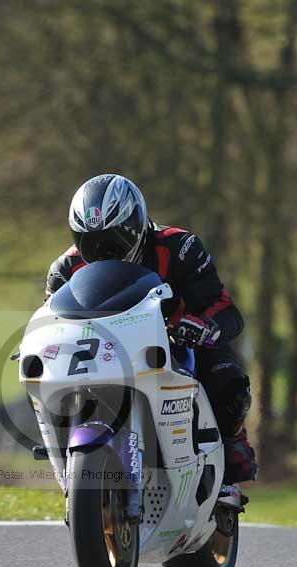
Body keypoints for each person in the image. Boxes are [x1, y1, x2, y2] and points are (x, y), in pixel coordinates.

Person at [44, 173, 257, 490]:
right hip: (101, 352)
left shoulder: (180, 247)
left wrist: (204, 327)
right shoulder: (65, 268)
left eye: (114, 240)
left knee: (228, 384)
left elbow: (224, 308)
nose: (104, 252)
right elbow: (49, 319)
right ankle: (77, 472)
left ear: (137, 226)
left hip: (177, 342)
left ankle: (230, 443)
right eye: (91, 242)